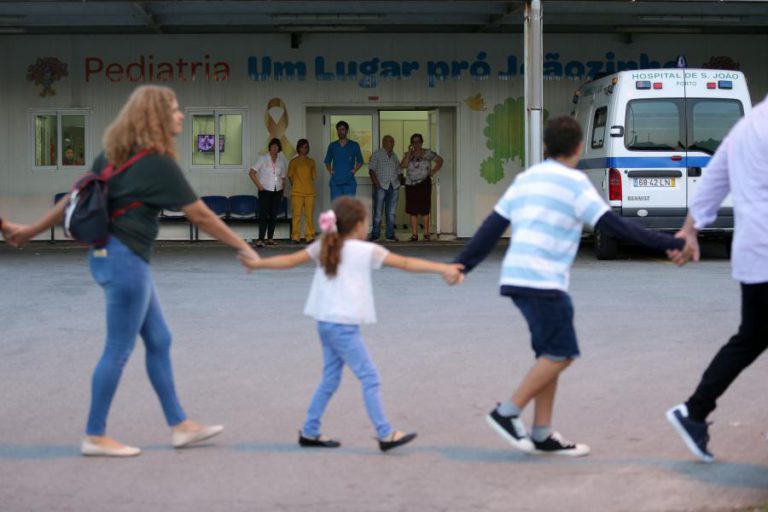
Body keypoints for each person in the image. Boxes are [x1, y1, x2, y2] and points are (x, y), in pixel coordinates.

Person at [2, 85, 259, 457]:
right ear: (155, 116)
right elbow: (200, 213)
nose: (180, 115)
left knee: (159, 340)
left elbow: (74, 201)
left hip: (109, 257)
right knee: (118, 349)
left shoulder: (110, 156)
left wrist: (28, 231)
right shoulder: (156, 162)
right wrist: (242, 245)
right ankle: (94, 434)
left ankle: (180, 425)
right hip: (125, 262)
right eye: (174, 109)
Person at [453, 116, 684, 456]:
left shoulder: (526, 179)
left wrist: (464, 264)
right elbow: (614, 226)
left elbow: (492, 225)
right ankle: (507, 412)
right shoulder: (575, 183)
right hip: (543, 281)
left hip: (517, 278)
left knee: (549, 354)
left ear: (545, 147)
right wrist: (672, 243)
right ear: (579, 147)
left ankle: (542, 432)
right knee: (562, 353)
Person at [239, 197, 463, 451]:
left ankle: (310, 431)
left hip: (325, 322)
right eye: (366, 221)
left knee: (330, 379)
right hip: (342, 325)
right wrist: (443, 267)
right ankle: (385, 433)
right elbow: (406, 263)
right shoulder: (364, 250)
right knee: (370, 377)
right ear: (358, 225)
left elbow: (290, 260)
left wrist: (258, 264)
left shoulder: (325, 245)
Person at [665, 96, 768, 463]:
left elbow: (713, 178)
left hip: (754, 256)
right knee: (750, 337)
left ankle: (694, 412)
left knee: (751, 337)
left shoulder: (747, 126)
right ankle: (693, 411)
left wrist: (689, 229)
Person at [401, 133, 443, 241]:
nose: (416, 144)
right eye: (414, 142)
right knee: (412, 209)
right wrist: (409, 153)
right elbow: (403, 165)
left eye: (418, 141)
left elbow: (440, 160)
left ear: (421, 142)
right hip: (410, 184)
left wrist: (433, 171)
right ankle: (414, 234)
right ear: (411, 143)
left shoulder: (427, 153)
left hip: (424, 183)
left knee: (425, 208)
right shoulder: (408, 154)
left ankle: (426, 233)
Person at [250, 137, 288, 247]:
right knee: (263, 215)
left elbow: (283, 178)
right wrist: (259, 186)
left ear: (279, 148)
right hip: (265, 191)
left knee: (273, 216)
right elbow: (252, 173)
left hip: (277, 191)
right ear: (269, 147)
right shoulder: (262, 158)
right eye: (273, 146)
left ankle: (270, 238)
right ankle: (260, 239)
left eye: (277, 146)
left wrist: (282, 192)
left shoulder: (281, 161)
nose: (274, 148)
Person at [368, 135, 401, 242]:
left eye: (392, 141)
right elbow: (371, 170)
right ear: (383, 143)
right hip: (380, 187)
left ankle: (390, 235)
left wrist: (398, 183)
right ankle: (375, 235)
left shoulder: (395, 156)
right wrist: (377, 184)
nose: (391, 143)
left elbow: (399, 171)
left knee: (391, 213)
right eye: (389, 141)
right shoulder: (377, 154)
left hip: (393, 187)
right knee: (378, 212)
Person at [324, 121, 364, 200]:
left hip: (349, 183)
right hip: (335, 183)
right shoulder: (332, 146)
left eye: (342, 129)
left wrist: (354, 170)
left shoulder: (354, 145)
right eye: (338, 130)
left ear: (347, 131)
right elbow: (327, 161)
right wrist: (330, 171)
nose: (340, 132)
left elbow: (360, 161)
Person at [287, 138, 317, 244]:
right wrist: (296, 185)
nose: (304, 149)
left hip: (310, 193)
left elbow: (313, 177)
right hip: (297, 193)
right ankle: (295, 237)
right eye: (302, 147)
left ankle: (309, 236)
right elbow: (290, 176)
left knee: (309, 215)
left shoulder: (311, 162)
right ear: (298, 148)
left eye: (306, 147)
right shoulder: (293, 162)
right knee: (297, 215)